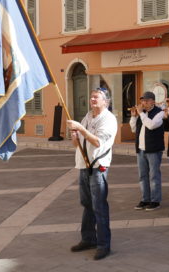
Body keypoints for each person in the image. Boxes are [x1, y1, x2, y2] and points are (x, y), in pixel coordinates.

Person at [68, 88, 117, 261]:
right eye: (91, 97)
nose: (92, 99)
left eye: (96, 97)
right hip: (83, 165)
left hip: (98, 166)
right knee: (86, 204)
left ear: (106, 101)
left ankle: (104, 245)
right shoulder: (88, 116)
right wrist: (75, 137)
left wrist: (81, 129)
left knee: (99, 206)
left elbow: (97, 142)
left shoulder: (109, 119)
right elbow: (78, 144)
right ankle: (88, 239)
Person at [130, 91, 164, 211]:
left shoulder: (159, 113)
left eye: (145, 101)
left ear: (152, 101)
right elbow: (134, 129)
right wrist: (134, 116)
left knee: (154, 176)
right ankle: (145, 199)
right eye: (142, 101)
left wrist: (141, 114)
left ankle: (155, 201)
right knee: (142, 176)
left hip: (154, 149)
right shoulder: (141, 114)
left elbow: (151, 125)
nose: (143, 103)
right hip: (141, 149)